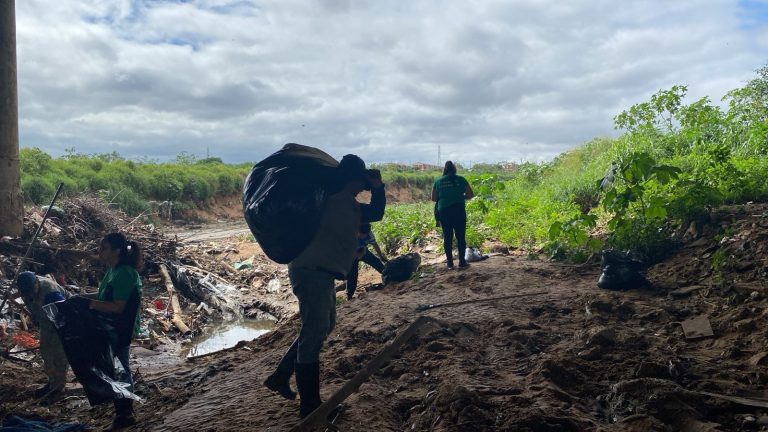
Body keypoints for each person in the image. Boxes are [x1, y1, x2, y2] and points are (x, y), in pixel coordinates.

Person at [264, 154, 386, 418]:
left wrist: (376, 187)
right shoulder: (329, 201)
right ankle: (310, 406)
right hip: (310, 273)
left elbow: (372, 214)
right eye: (362, 180)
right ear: (354, 178)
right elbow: (373, 213)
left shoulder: (345, 201)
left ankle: (281, 375)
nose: (363, 186)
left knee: (325, 325)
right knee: (314, 332)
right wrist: (376, 187)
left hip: (322, 274)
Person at [80, 233, 143, 430]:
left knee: (120, 368)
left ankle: (126, 412)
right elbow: (103, 296)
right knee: (114, 367)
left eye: (104, 249)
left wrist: (89, 304)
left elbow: (117, 306)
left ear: (117, 251)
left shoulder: (125, 273)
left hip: (121, 327)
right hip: (110, 326)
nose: (99, 252)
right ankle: (122, 410)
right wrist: (81, 298)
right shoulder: (112, 270)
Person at [15, 271, 70, 400]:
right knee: (46, 351)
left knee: (58, 355)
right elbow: (30, 303)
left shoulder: (51, 293)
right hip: (46, 321)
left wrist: (60, 335)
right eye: (25, 292)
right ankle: (52, 382)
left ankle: (59, 387)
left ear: (36, 284)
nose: (28, 294)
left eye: (30, 291)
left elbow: (63, 314)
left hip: (61, 322)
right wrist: (36, 317)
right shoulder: (26, 290)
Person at [432, 161, 474, 269]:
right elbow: (470, 194)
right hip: (458, 210)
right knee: (460, 237)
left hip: (444, 212)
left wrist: (445, 197)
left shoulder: (438, 181)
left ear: (445, 170)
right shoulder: (461, 179)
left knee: (447, 237)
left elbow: (434, 198)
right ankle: (462, 262)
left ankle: (450, 264)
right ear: (454, 169)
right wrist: (460, 197)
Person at [346, 223, 387, 300]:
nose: (363, 236)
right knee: (352, 275)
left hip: (363, 251)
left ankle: (389, 276)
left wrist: (380, 255)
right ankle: (349, 296)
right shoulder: (349, 234)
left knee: (377, 262)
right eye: (361, 234)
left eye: (365, 235)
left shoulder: (369, 234)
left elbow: (374, 244)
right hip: (351, 255)